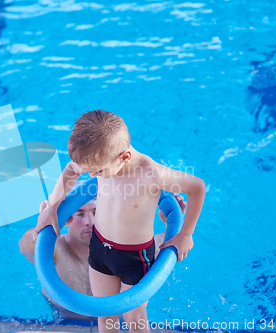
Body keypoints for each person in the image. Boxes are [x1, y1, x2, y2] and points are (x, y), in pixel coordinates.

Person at [35, 110, 206, 332]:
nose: (90, 176)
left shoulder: (150, 174)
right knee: (105, 315)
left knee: (134, 317)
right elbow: (71, 170)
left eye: (96, 171)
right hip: (99, 248)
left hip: (134, 257)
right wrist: (53, 205)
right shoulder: (100, 158)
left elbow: (198, 187)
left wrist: (185, 234)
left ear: (124, 157)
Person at [20, 185, 186, 322]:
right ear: (67, 217)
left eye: (95, 212)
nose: (89, 222)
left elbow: (171, 244)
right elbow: (27, 246)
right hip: (64, 320)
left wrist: (171, 221)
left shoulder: (131, 250)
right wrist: (43, 226)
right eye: (80, 214)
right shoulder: (56, 249)